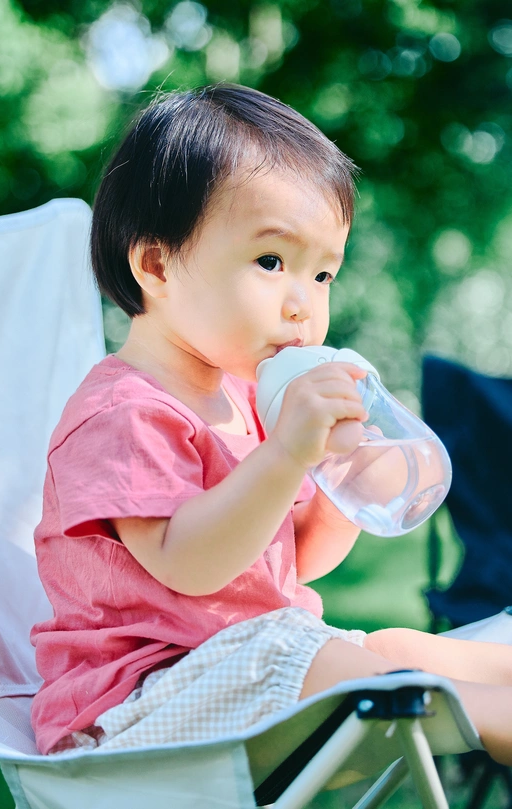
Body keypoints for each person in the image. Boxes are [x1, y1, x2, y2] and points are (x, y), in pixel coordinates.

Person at [31, 84, 512, 764]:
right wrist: (285, 454)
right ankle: (488, 714)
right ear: (156, 264)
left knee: (388, 647)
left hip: (249, 667)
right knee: (320, 654)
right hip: (138, 701)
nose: (303, 305)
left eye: (322, 275)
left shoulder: (251, 400)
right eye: (272, 262)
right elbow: (190, 565)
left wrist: (350, 487)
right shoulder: (123, 412)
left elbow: (296, 561)